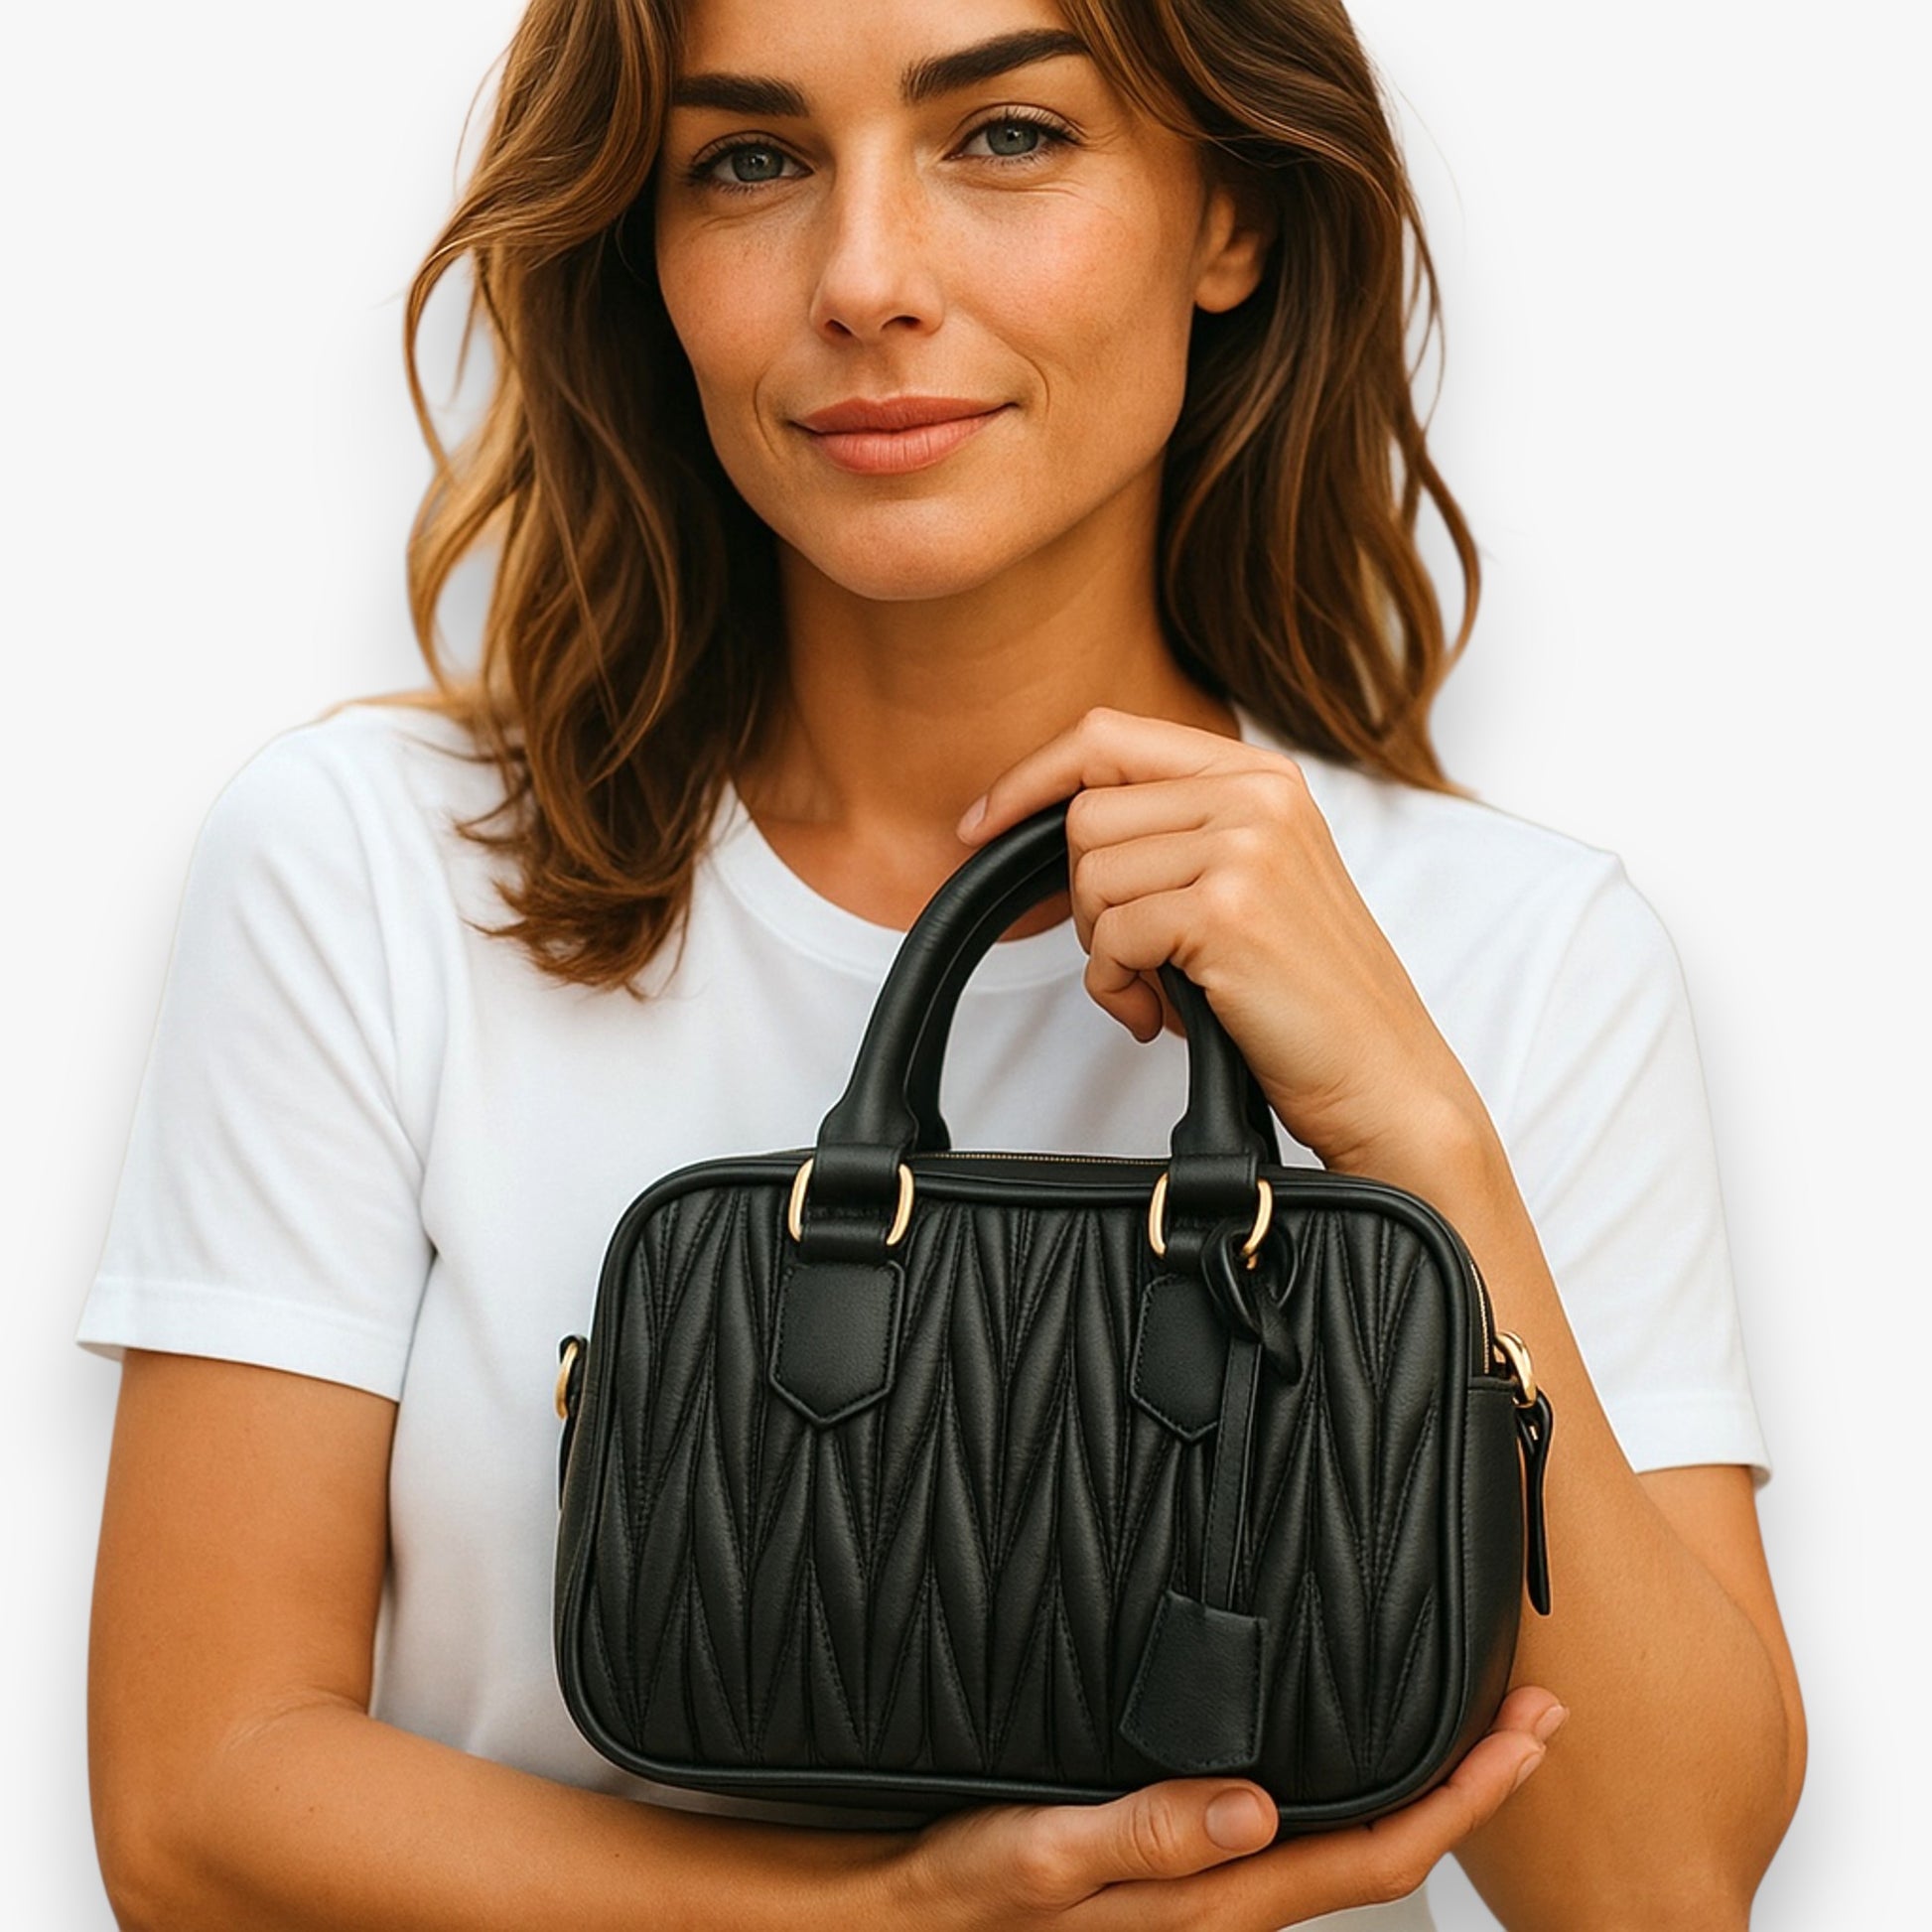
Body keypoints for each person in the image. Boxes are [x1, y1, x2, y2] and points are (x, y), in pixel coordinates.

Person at [79, 0, 1805, 1925]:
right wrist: (890, 1915)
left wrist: (1416, 1134)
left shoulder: (1524, 950)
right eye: (748, 160)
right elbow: (196, 1804)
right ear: (645, 254)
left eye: (1005, 136)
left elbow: (1654, 1884)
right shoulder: (372, 872)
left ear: (1225, 209)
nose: (868, 278)